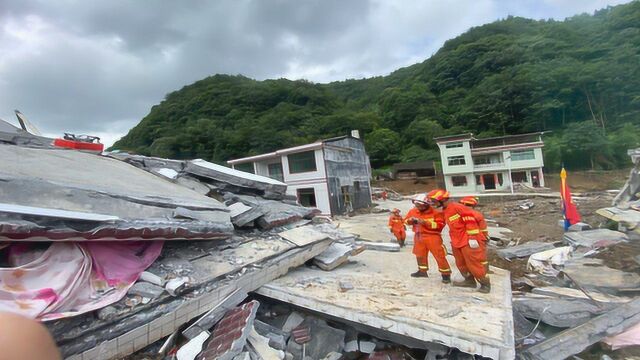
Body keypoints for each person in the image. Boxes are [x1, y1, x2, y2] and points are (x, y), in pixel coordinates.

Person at [427, 189, 490, 293]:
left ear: (441, 200)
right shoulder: (445, 210)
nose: (433, 204)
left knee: (474, 263)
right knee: (461, 263)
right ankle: (469, 281)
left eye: (434, 201)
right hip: (457, 241)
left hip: (468, 240)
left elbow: (470, 221)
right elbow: (438, 222)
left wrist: (472, 238)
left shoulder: (457, 207)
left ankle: (485, 284)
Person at [404, 194, 452, 283]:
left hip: (432, 236)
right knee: (419, 254)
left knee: (439, 255)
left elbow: (440, 225)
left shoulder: (436, 212)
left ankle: (446, 274)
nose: (418, 207)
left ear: (426, 204)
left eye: (420, 206)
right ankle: (422, 271)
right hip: (419, 236)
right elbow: (406, 221)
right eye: (417, 205)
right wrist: (410, 221)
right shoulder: (413, 211)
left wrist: (425, 223)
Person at [459, 196, 490, 274]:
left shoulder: (461, 214)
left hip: (467, 239)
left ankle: (477, 273)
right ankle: (486, 270)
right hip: (480, 238)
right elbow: (483, 228)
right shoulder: (478, 214)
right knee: (482, 255)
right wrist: (486, 236)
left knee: (472, 257)